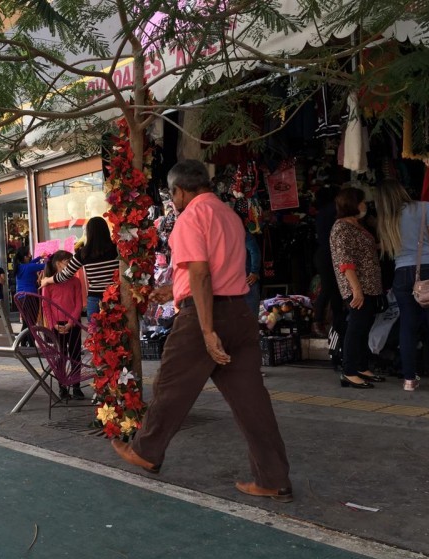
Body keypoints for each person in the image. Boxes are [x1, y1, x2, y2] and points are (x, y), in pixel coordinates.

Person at [111, 160, 293, 503]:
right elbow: (213, 272)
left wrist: (208, 330)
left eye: (172, 194)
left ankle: (147, 451)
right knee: (252, 401)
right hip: (239, 311)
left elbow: (201, 274)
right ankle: (274, 478)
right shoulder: (229, 216)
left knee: (170, 384)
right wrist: (174, 290)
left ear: (179, 191)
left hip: (205, 315)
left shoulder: (190, 217)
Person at [375, 179, 429, 392]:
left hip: (401, 274)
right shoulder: (422, 207)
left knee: (407, 326)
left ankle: (409, 379)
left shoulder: (386, 218)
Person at [329, 187, 384, 389]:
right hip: (357, 287)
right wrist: (357, 289)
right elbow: (345, 262)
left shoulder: (356, 225)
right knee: (356, 327)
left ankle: (361, 366)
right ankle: (349, 371)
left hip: (369, 286)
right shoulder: (342, 227)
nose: (365, 205)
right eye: (362, 201)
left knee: (364, 327)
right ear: (352, 203)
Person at [40, 216, 119, 322]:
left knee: (96, 333)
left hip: (94, 299)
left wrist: (47, 280)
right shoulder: (116, 249)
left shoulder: (83, 254)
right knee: (116, 332)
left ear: (89, 233)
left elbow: (64, 275)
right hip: (115, 298)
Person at [41, 250, 85, 399]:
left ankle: (76, 386)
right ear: (58, 264)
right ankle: (62, 387)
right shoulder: (48, 282)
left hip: (73, 324)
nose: (71, 265)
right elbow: (45, 306)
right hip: (57, 325)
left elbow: (79, 304)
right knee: (61, 356)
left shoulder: (75, 281)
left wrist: (72, 322)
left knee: (75, 354)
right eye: (68, 262)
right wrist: (53, 324)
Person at [312, 185, 344, 339]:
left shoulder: (322, 213)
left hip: (323, 254)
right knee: (331, 288)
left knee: (330, 288)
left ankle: (329, 320)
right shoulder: (333, 210)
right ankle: (322, 320)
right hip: (330, 254)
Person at [14, 246, 46, 346]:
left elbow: (31, 264)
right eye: (29, 254)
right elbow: (45, 266)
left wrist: (39, 257)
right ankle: (31, 344)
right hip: (30, 296)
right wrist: (50, 258)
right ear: (24, 257)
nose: (31, 256)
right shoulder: (29, 267)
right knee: (31, 321)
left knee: (26, 322)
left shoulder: (19, 267)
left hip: (21, 297)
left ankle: (23, 343)